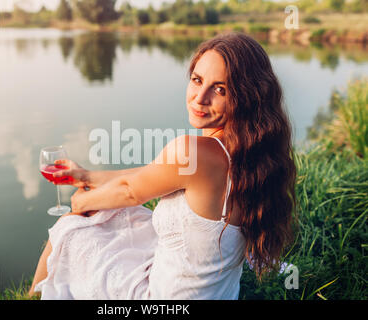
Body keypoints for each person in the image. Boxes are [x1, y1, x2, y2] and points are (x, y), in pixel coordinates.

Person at [28, 32, 297, 300]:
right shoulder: (250, 150)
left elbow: (131, 192)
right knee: (124, 218)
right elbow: (152, 173)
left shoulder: (196, 151)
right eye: (197, 80)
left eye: (220, 89)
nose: (199, 98)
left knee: (72, 224)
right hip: (217, 293)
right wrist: (87, 176)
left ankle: (30, 296)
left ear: (247, 97)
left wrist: (81, 203)